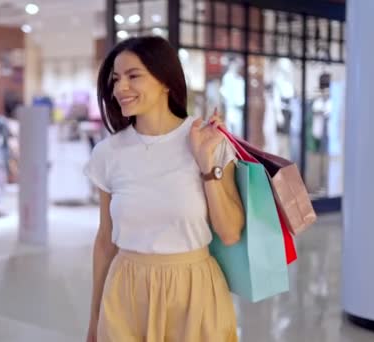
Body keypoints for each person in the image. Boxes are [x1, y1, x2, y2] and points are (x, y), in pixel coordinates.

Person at [84, 36, 245, 342]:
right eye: (116, 79)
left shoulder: (207, 139)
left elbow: (230, 233)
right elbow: (105, 241)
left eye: (133, 76)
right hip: (125, 293)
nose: (120, 88)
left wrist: (206, 165)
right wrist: (94, 318)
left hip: (193, 292)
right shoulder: (108, 153)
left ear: (165, 81)